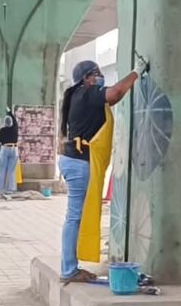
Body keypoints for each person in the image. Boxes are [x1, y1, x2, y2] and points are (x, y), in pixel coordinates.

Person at [59, 58, 147, 284]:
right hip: (80, 163)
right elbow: (116, 93)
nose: (100, 77)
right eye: (97, 74)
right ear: (87, 78)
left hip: (72, 160)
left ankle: (70, 266)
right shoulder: (86, 93)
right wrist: (136, 72)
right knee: (75, 217)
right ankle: (69, 270)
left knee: (74, 216)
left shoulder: (77, 96)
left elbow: (112, 98)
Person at [0, 110, 19, 199]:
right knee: (11, 170)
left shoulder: (2, 130)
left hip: (5, 148)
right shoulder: (15, 128)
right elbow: (15, 122)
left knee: (2, 170)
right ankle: (11, 189)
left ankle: (0, 189)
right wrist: (10, 113)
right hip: (15, 149)